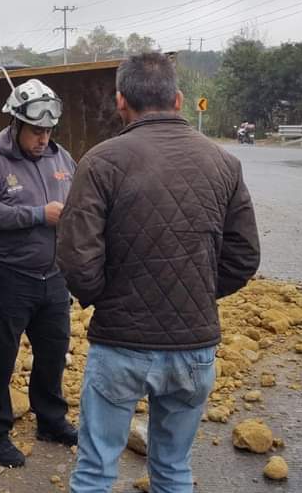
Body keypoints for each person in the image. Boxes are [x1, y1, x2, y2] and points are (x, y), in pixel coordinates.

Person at [59, 53, 261, 493]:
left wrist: (104, 297)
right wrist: (199, 291)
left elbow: (77, 256)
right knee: (172, 469)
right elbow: (244, 257)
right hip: (194, 345)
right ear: (179, 98)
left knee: (95, 471)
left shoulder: (100, 162)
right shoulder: (225, 163)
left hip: (119, 344)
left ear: (120, 101)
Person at [0, 78, 79, 468]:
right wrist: (36, 215)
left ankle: (50, 419)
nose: (43, 139)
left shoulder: (62, 159)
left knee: (52, 353)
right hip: (8, 278)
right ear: (16, 124)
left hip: (54, 278)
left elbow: (79, 203)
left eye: (48, 131)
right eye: (36, 131)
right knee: (1, 356)